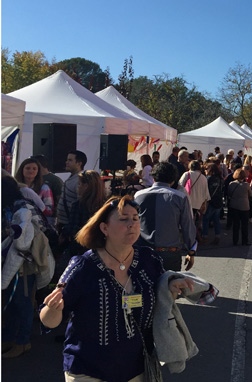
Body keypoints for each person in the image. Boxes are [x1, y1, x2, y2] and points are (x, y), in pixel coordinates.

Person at [39, 195, 194, 381]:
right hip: (87, 370)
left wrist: (170, 286)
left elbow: (161, 295)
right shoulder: (83, 267)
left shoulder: (148, 260)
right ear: (104, 228)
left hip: (137, 368)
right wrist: (52, 308)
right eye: (123, 219)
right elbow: (49, 321)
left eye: (135, 218)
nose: (132, 224)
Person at [1, 176, 42, 359]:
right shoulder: (9, 207)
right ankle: (8, 338)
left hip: (25, 262)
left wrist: (11, 233)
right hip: (10, 260)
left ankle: (23, 341)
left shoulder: (23, 208)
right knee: (10, 302)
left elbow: (27, 237)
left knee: (22, 302)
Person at [134, 162, 197, 271]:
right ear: (173, 180)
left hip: (143, 251)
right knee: (170, 281)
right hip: (170, 252)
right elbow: (187, 226)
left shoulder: (138, 196)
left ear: (153, 177)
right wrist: (191, 251)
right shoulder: (180, 197)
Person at [14, 157, 55, 224]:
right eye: (28, 168)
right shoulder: (14, 186)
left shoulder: (44, 188)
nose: (31, 171)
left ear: (38, 171)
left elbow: (49, 210)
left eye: (34, 169)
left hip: (37, 223)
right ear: (22, 170)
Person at [56, 150, 87, 235]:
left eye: (70, 160)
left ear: (79, 163)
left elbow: (80, 204)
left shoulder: (79, 180)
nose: (66, 162)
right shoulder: (72, 177)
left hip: (70, 225)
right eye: (67, 160)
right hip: (64, 223)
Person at [179, 160, 211, 242]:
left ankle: (188, 240)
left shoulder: (187, 174)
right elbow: (206, 193)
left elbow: (180, 187)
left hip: (187, 202)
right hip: (198, 204)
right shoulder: (203, 177)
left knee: (186, 223)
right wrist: (204, 204)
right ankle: (194, 239)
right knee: (195, 223)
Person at [228, 167, 252, 246]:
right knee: (244, 225)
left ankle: (235, 240)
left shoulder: (231, 184)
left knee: (236, 224)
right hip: (244, 206)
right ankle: (244, 241)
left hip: (234, 205)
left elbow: (229, 193)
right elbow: (251, 194)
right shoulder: (246, 185)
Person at [202, 162, 224, 244]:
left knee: (205, 219)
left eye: (206, 169)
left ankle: (205, 236)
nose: (205, 170)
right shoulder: (220, 179)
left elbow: (206, 191)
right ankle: (217, 236)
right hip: (218, 201)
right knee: (216, 219)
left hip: (210, 201)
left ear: (210, 170)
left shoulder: (209, 179)